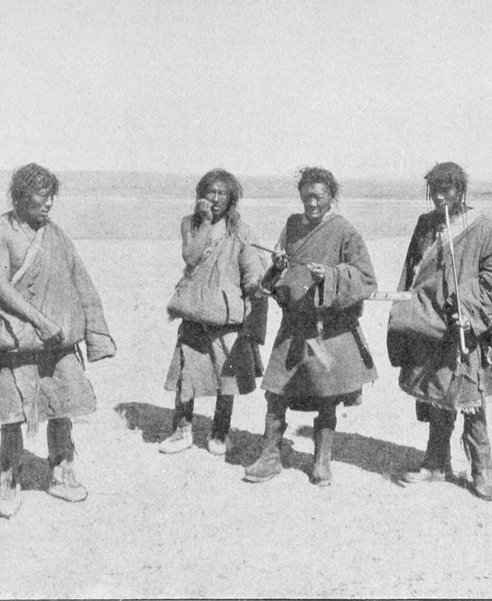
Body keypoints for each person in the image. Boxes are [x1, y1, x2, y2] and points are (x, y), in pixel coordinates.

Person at [0, 163, 115, 517]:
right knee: (12, 412)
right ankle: (9, 482)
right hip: (18, 339)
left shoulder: (56, 235)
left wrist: (94, 336)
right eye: (42, 195)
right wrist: (40, 321)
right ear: (21, 196)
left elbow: (81, 283)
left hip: (57, 342)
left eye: (52, 196)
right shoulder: (1, 231)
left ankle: (62, 474)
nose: (49, 203)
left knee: (61, 404)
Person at [386, 162, 492, 501]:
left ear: (460, 190)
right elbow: (412, 273)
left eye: (446, 190)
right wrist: (408, 315)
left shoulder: (483, 228)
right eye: (434, 191)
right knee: (437, 394)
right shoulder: (425, 225)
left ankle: (482, 472)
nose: (438, 198)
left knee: (471, 401)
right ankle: (436, 464)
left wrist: (470, 302)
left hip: (465, 327)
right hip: (430, 324)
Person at [244, 167, 378, 486]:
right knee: (276, 392)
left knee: (326, 395)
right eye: (306, 197)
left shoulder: (344, 231)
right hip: (293, 326)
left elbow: (367, 279)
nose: (312, 203)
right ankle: (270, 456)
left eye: (319, 196)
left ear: (331, 196)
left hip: (325, 331)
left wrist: (330, 275)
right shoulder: (292, 225)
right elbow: (280, 270)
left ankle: (321, 461)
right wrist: (278, 266)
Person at [159, 169, 269, 456]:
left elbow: (253, 272)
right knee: (186, 377)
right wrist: (206, 221)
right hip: (195, 312)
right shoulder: (190, 224)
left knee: (226, 379)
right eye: (211, 192)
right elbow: (191, 256)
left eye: (223, 193)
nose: (216, 198)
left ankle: (220, 433)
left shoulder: (241, 231)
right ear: (201, 195)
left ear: (232, 198)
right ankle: (182, 430)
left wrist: (255, 291)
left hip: (227, 318)